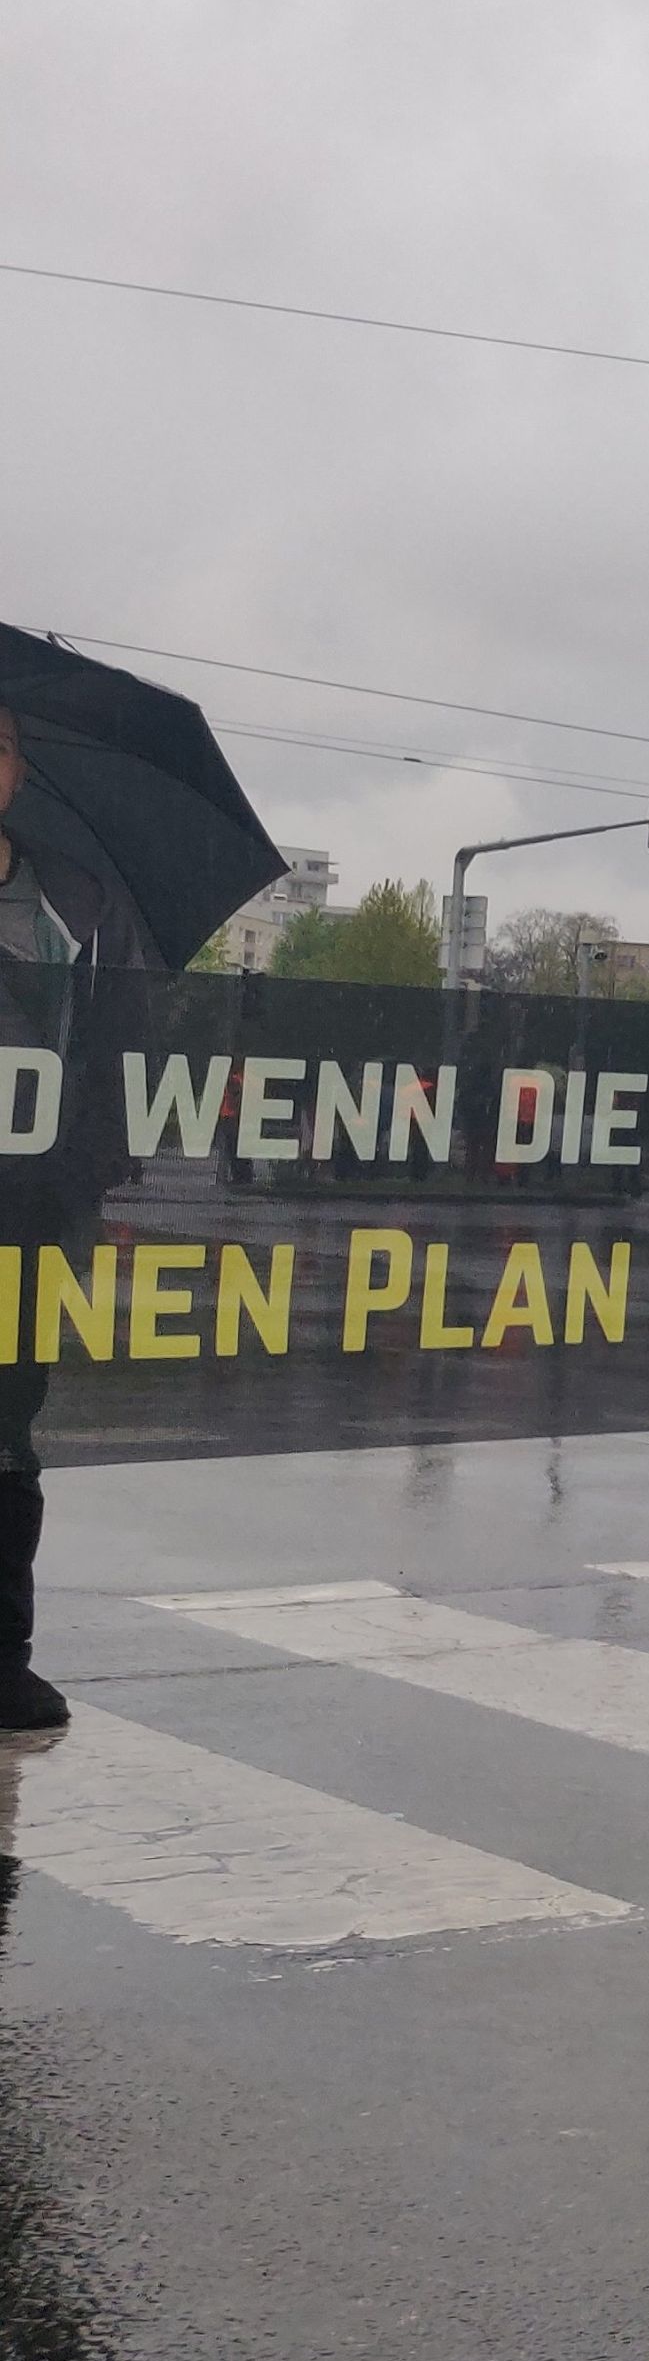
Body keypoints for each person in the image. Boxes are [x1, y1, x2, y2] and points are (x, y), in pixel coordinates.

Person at [0, 702, 155, 1734]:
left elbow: (120, 1049)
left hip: (23, 1214)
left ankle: (2, 1655)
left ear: (18, 768)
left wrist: (84, 1183)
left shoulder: (75, 901)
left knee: (7, 1429)